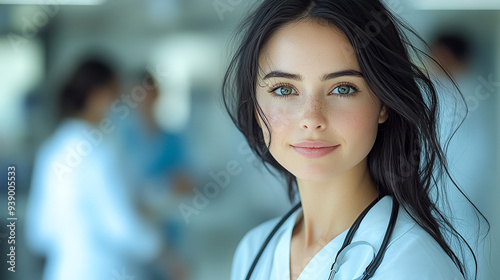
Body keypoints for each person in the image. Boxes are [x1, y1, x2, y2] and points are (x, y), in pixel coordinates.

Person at [221, 1, 488, 279]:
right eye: (285, 89)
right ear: (254, 106)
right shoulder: (254, 250)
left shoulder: (414, 265)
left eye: (343, 88)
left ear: (383, 103)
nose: (311, 118)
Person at [25, 58, 162, 280]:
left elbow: (38, 233)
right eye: (117, 97)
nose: (121, 106)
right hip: (105, 271)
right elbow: (122, 226)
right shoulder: (99, 152)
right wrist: (164, 254)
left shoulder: (51, 150)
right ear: (99, 97)